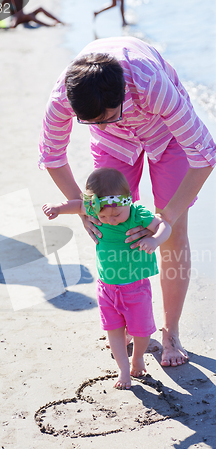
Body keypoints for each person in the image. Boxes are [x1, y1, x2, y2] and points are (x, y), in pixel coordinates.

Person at [38, 37, 216, 368]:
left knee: (170, 230)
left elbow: (204, 154)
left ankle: (171, 332)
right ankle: (129, 322)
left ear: (122, 96)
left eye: (108, 115)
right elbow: (51, 154)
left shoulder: (149, 84)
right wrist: (80, 206)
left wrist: (169, 216)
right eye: (93, 121)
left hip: (167, 134)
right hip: (114, 146)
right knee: (111, 222)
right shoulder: (66, 94)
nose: (103, 123)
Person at [43, 168, 171, 389]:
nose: (110, 220)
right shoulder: (95, 208)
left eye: (116, 215)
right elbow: (77, 205)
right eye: (103, 216)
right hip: (106, 287)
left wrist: (155, 241)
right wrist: (58, 208)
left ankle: (138, 357)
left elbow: (164, 226)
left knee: (142, 331)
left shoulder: (136, 213)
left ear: (128, 201)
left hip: (136, 287)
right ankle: (123, 369)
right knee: (113, 329)